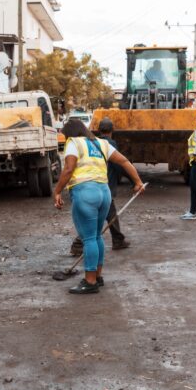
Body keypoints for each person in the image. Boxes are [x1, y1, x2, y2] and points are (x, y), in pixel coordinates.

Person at [53, 119, 145, 295]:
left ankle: (90, 281)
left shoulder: (74, 143)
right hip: (104, 193)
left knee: (88, 239)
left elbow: (68, 169)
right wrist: (137, 181)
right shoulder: (101, 143)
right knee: (96, 236)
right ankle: (97, 276)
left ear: (70, 133)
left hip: (85, 193)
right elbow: (124, 161)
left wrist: (57, 191)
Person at [69, 118, 130, 257]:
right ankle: (78, 244)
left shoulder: (93, 142)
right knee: (95, 219)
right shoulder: (110, 143)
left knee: (109, 214)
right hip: (104, 186)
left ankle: (118, 239)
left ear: (98, 130)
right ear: (112, 130)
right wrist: (131, 180)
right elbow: (119, 164)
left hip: (93, 184)